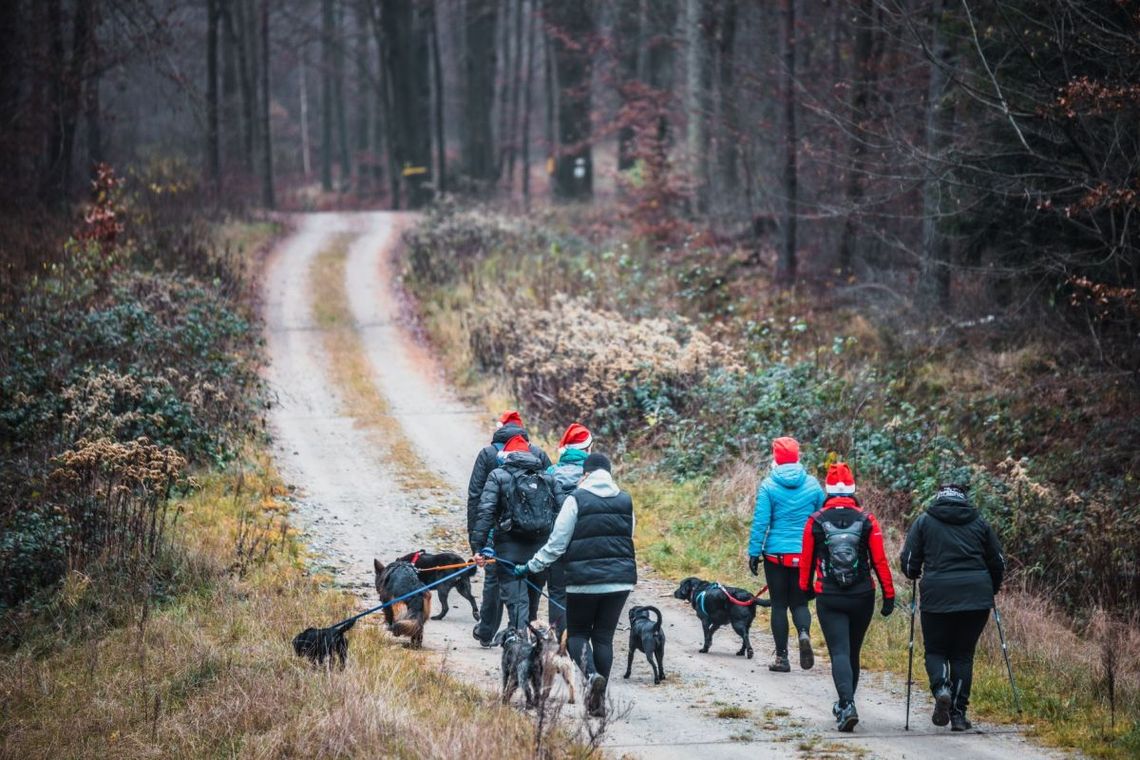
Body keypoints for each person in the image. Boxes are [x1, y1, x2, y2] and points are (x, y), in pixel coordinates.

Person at [515, 452, 635, 718]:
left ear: (587, 474)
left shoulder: (576, 499)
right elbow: (628, 535)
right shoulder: (626, 500)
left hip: (584, 579)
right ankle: (597, 701)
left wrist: (530, 566)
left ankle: (592, 677)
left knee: (578, 634)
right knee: (603, 636)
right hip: (621, 580)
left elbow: (557, 543)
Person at [899, 483, 1005, 732]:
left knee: (935, 650)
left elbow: (910, 561)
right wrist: (993, 587)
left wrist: (913, 572)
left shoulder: (925, 521)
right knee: (962, 654)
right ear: (964, 498)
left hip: (937, 596)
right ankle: (958, 715)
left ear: (939, 497)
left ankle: (941, 688)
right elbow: (998, 560)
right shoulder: (979, 521)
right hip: (976, 597)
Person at [799, 462, 895, 732]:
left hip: (829, 595)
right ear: (853, 488)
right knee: (853, 651)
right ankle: (846, 704)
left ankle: (847, 704)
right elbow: (879, 560)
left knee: (839, 651)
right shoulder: (867, 520)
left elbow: (806, 561)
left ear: (827, 489)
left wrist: (806, 589)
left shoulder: (815, 520)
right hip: (862, 594)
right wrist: (889, 595)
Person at [467, 410, 552, 646]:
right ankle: (528, 637)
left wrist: (478, 544)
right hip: (540, 545)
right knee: (532, 596)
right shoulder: (542, 462)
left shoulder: (491, 460)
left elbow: (478, 502)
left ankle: (495, 635)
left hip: (505, 544)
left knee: (501, 588)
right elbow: (556, 507)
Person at [747, 436, 825, 673]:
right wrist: (821, 554)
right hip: (804, 555)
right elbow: (822, 520)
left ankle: (782, 658)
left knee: (779, 605)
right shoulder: (813, 485)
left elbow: (761, 521)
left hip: (775, 555)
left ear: (775, 458)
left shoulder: (769, 485)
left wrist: (754, 552)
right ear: (797, 456)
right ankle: (803, 633)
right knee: (799, 602)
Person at [545, 422, 594, 637]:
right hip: (586, 543)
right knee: (584, 592)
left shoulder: (550, 472)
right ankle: (581, 637)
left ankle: (558, 636)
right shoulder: (595, 475)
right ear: (588, 449)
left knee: (556, 592)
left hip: (556, 543)